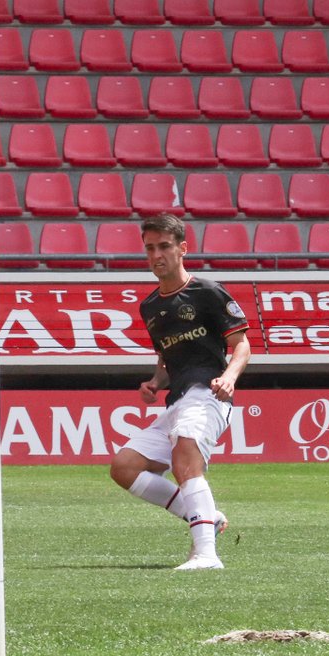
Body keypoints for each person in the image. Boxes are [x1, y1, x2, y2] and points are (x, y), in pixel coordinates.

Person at [109, 214, 251, 571]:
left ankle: (206, 555)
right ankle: (206, 517)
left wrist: (230, 377)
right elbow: (167, 355)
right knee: (124, 467)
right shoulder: (150, 306)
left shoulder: (207, 291)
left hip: (208, 393)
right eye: (150, 248)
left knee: (185, 458)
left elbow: (242, 344)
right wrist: (156, 381)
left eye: (164, 246)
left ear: (182, 249)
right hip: (178, 398)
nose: (156, 255)